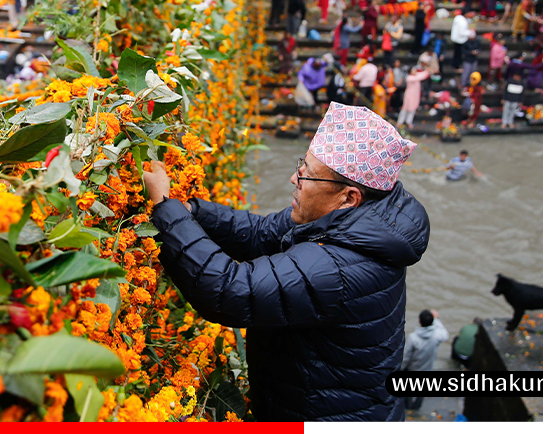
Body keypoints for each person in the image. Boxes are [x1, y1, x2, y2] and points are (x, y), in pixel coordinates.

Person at [143, 102, 428, 421]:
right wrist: (190, 211)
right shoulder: (348, 222)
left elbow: (229, 291)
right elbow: (261, 233)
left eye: (308, 176)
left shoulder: (338, 267)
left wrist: (164, 208)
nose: (294, 178)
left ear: (348, 197)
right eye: (301, 165)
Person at [400, 309, 449, 411]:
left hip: (413, 369)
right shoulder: (437, 336)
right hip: (427, 368)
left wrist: (401, 368)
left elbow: (406, 357)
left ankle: (408, 406)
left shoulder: (413, 338)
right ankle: (416, 406)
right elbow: (445, 334)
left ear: (419, 321)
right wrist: (436, 319)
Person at [397, 64, 430, 129]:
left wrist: (427, 71)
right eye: (413, 71)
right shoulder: (409, 78)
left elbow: (421, 75)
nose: (415, 72)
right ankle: (400, 122)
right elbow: (419, 77)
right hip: (409, 94)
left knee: (413, 108)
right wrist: (427, 71)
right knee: (405, 108)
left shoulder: (416, 75)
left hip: (415, 95)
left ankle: (409, 121)